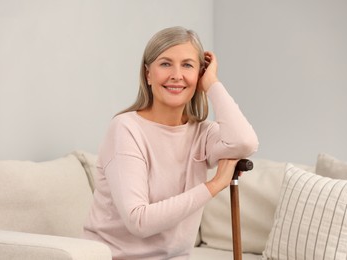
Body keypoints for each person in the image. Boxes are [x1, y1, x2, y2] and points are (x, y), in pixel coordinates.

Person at [83, 26, 259, 259]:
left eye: (187, 65)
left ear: (199, 75)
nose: (176, 74)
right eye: (165, 64)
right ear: (148, 74)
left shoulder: (202, 133)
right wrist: (215, 185)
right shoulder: (126, 129)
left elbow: (245, 141)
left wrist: (212, 83)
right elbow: (139, 220)